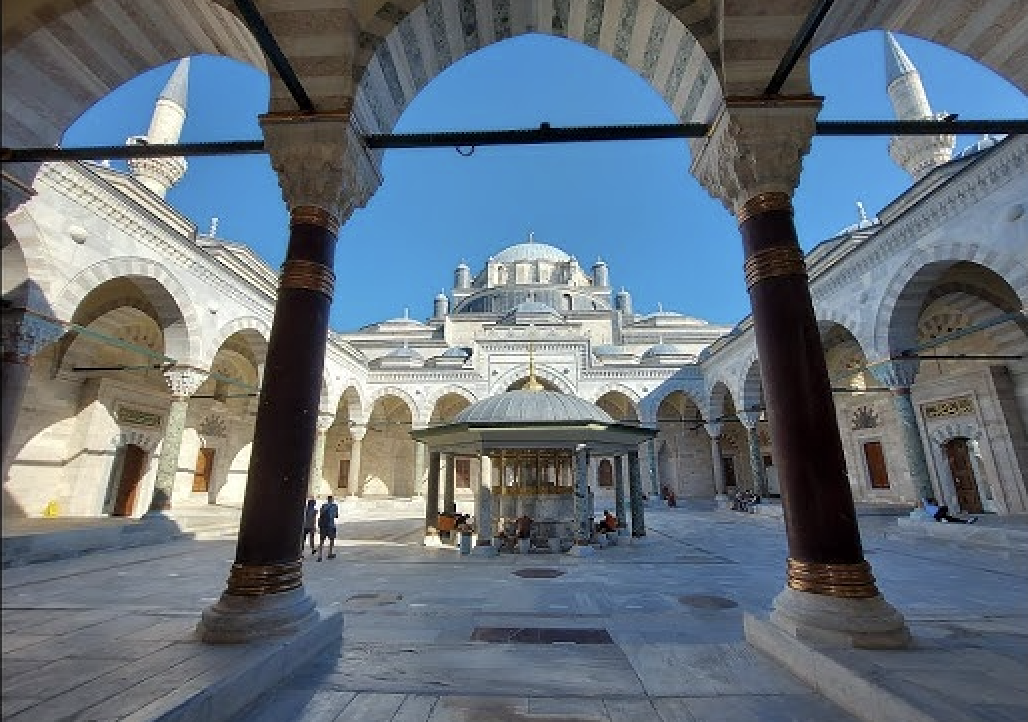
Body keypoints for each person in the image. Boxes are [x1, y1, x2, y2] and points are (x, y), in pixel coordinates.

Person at [317, 495, 340, 561]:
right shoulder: (334, 506)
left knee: (321, 541)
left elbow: (320, 514)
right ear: (332, 500)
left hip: (323, 526)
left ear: (327, 499)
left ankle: (320, 556)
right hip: (331, 525)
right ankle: (329, 553)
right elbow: (336, 515)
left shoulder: (323, 506)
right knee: (331, 540)